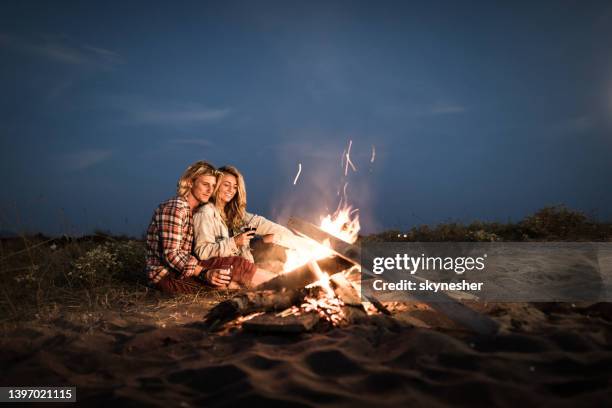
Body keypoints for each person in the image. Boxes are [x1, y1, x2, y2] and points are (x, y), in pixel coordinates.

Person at [145, 161, 271, 294]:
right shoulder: (175, 209)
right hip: (166, 277)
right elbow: (172, 255)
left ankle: (274, 284)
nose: (210, 190)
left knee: (230, 276)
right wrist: (204, 273)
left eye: (213, 186)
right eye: (205, 184)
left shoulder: (192, 210)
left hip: (183, 271)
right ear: (190, 182)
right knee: (236, 267)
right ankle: (285, 284)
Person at [193, 165, 303, 266]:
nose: (231, 190)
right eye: (226, 185)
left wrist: (277, 237)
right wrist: (234, 242)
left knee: (278, 259)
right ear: (216, 186)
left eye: (235, 187)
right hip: (223, 272)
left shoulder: (238, 215)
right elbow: (202, 252)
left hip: (245, 269)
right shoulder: (205, 213)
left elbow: (263, 224)